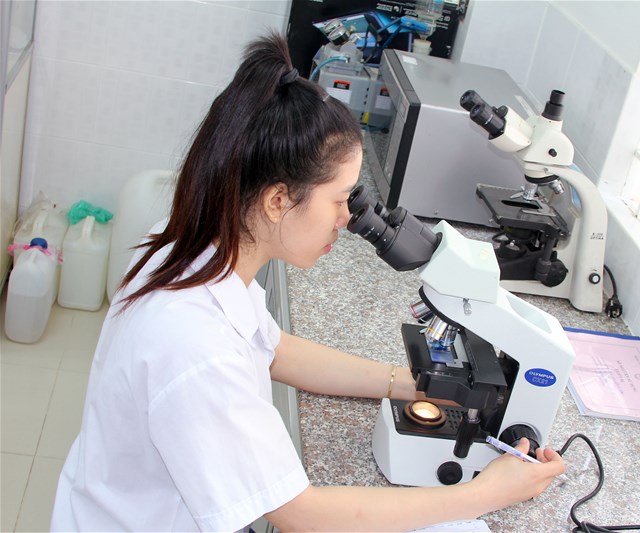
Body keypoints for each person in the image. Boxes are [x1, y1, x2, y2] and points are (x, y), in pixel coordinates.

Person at [51, 32, 565, 532]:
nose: (347, 219)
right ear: (277, 200)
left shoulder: (195, 246)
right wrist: (484, 494)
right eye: (340, 200)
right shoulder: (195, 346)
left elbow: (273, 349)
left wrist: (416, 384)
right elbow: (301, 514)